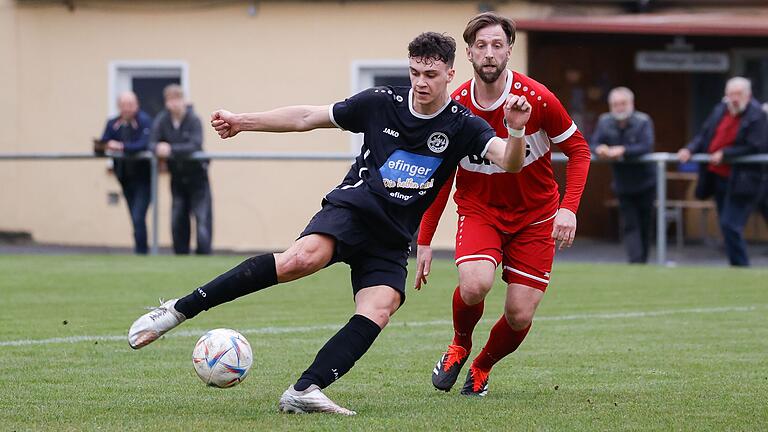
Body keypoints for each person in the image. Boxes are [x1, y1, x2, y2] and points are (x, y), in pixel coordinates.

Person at [128, 32, 531, 415]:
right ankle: (177, 311)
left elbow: (509, 160)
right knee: (301, 259)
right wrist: (242, 120)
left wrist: (514, 129)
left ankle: (305, 389)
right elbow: (307, 116)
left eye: (430, 74)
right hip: (354, 209)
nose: (421, 82)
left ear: (449, 74)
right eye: (414, 73)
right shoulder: (380, 102)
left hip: (392, 236)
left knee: (380, 306)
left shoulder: (462, 124)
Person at [415, 12, 591, 397]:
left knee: (519, 313)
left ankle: (482, 366)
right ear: (469, 53)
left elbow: (579, 150)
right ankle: (460, 343)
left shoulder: (538, 98)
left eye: (497, 45)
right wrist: (424, 238)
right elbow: (441, 176)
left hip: (536, 216)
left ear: (510, 50)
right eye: (481, 46)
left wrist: (569, 208)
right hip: (480, 210)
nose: (489, 53)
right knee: (475, 284)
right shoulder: (455, 108)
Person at [677, 77, 768, 267]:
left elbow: (757, 145)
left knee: (730, 224)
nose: (734, 98)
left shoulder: (757, 115)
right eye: (731, 94)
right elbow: (704, 135)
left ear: (748, 95)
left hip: (745, 180)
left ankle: (741, 266)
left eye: (738, 94)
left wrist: (725, 153)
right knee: (726, 225)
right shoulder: (720, 110)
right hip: (718, 177)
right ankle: (736, 266)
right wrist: (689, 149)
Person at [592, 87, 656, 263]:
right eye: (615, 104)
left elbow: (646, 146)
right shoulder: (604, 121)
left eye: (622, 103)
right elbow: (594, 142)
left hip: (646, 181)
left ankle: (643, 260)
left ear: (631, 104)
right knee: (629, 223)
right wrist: (600, 149)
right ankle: (635, 262)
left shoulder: (643, 121)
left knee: (645, 223)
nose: (619, 107)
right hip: (622, 182)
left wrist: (622, 150)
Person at [151, 84, 213, 255]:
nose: (174, 104)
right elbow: (152, 142)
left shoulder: (194, 119)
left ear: (183, 101)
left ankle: (204, 254)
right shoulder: (162, 120)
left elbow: (195, 144)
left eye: (177, 99)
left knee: (202, 218)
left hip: (197, 176)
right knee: (178, 217)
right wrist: (157, 147)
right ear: (166, 102)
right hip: (177, 177)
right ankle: (180, 255)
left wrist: (170, 149)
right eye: (170, 100)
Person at [100, 91, 153, 254]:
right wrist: (108, 144)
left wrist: (121, 146)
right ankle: (140, 251)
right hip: (124, 177)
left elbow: (145, 144)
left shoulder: (144, 121)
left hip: (144, 178)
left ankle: (142, 252)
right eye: (124, 105)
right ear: (119, 107)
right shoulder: (113, 123)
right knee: (134, 216)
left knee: (138, 216)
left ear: (136, 105)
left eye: (130, 105)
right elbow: (104, 142)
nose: (127, 109)